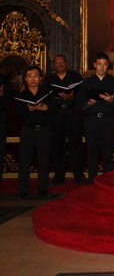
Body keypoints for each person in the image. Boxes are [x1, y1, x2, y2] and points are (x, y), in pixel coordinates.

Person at [78, 53, 114, 184]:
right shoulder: (87, 82)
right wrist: (88, 103)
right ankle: (92, 180)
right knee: (92, 152)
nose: (102, 67)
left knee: (108, 151)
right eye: (99, 64)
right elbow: (79, 104)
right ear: (94, 65)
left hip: (108, 120)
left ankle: (108, 181)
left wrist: (111, 101)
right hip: (91, 120)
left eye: (105, 64)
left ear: (108, 65)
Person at [14, 66, 55, 200]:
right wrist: (29, 110)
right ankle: (22, 190)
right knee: (24, 161)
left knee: (43, 161)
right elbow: (18, 115)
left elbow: (55, 113)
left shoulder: (47, 94)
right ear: (25, 79)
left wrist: (46, 108)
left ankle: (43, 189)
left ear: (40, 78)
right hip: (28, 131)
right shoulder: (21, 96)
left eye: (36, 76)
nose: (33, 79)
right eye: (30, 76)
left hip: (44, 131)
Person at [45, 55, 85, 185]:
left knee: (76, 145)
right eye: (57, 62)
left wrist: (72, 97)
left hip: (73, 114)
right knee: (57, 146)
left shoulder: (76, 77)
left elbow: (83, 95)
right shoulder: (49, 79)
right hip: (56, 115)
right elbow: (45, 98)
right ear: (53, 65)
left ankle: (79, 175)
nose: (60, 64)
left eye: (62, 61)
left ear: (66, 63)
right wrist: (57, 98)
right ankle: (59, 176)